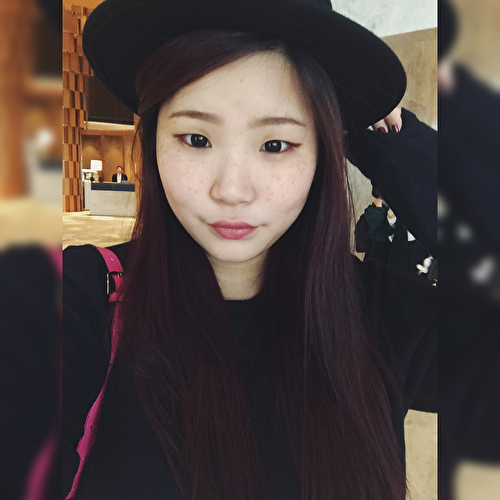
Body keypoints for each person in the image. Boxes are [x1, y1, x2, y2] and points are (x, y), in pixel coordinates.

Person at [63, 1, 437, 499]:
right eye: (196, 139)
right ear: (153, 143)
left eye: (276, 145)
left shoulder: (380, 313)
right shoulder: (78, 299)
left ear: (325, 151)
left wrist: (392, 145)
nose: (232, 191)